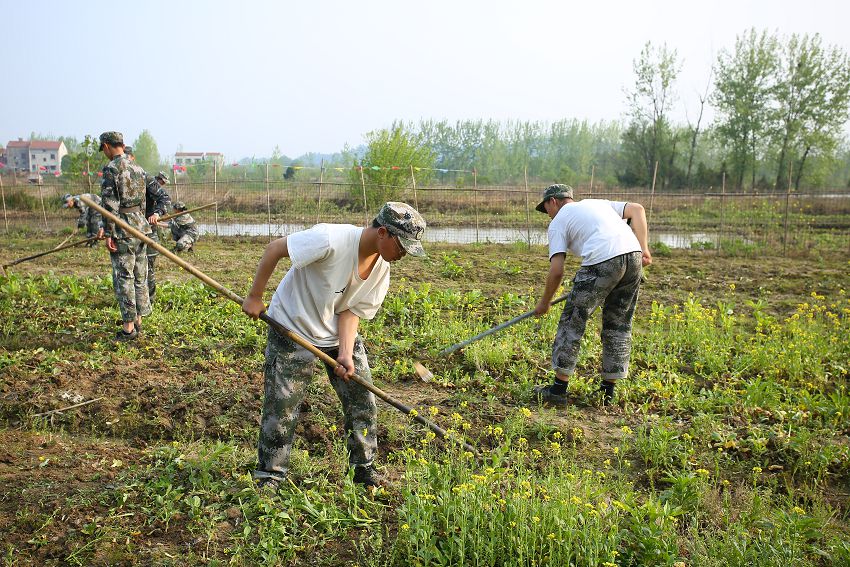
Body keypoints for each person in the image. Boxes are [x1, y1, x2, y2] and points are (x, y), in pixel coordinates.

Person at [241, 202, 427, 489]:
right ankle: (270, 476)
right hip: (292, 325)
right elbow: (274, 249)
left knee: (362, 399)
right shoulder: (330, 239)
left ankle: (363, 470)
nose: (403, 254)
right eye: (402, 245)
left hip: (334, 334)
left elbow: (350, 310)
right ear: (382, 233)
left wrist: (344, 352)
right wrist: (255, 296)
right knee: (283, 407)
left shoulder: (381, 270)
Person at [531, 184, 652, 406]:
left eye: (545, 208)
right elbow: (637, 209)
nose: (547, 214)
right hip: (634, 257)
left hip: (603, 259)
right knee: (618, 322)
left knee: (572, 320)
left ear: (553, 202)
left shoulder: (557, 222)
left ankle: (557, 391)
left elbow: (557, 270)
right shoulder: (596, 204)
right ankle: (608, 392)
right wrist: (643, 248)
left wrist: (544, 302)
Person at [98, 131, 153, 341]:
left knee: (124, 277)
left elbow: (109, 204)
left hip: (123, 229)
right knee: (140, 275)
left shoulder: (112, 169)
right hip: (141, 227)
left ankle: (128, 328)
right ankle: (139, 319)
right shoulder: (138, 168)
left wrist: (109, 232)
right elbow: (144, 201)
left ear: (106, 146)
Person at [143, 172, 171, 303]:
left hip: (149, 231)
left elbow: (165, 199)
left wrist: (157, 213)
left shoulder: (149, 183)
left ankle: (150, 300)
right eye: (163, 182)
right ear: (159, 179)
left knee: (149, 266)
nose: (162, 185)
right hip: (131, 231)